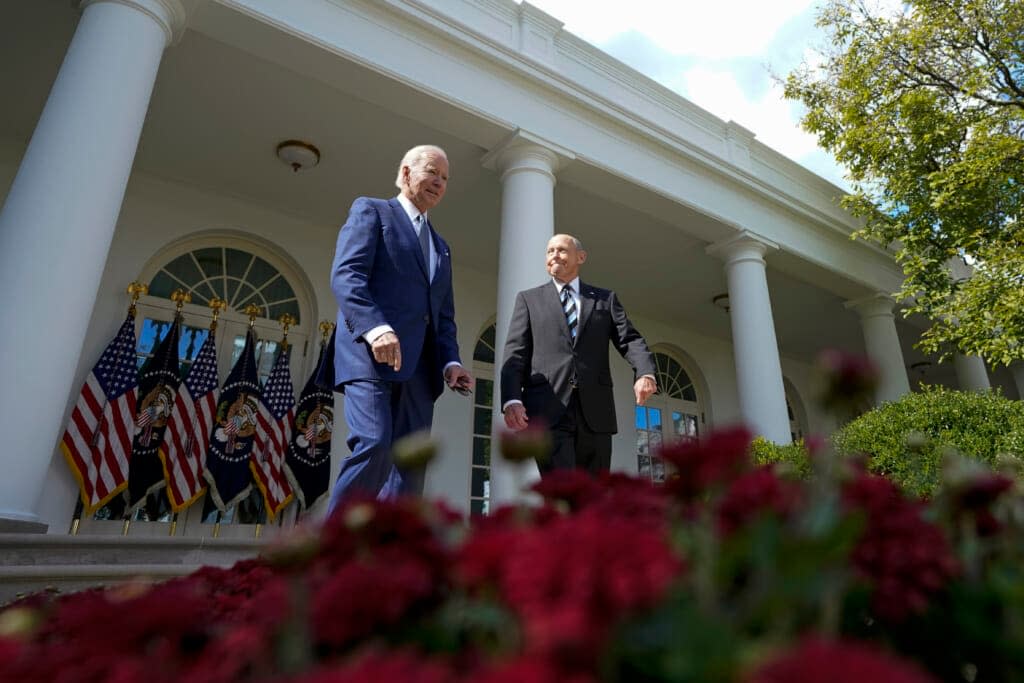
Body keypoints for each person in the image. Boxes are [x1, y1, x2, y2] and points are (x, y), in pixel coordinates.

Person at [328, 145, 472, 513]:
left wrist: (450, 362)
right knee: (375, 443)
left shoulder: (442, 247)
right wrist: (376, 328)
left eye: (445, 178)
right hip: (369, 355)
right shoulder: (372, 211)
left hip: (420, 372)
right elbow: (348, 275)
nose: (439, 183)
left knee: (409, 466)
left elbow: (443, 315)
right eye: (432, 172)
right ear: (406, 172)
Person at [500, 234, 657, 474]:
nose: (554, 255)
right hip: (548, 410)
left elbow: (630, 339)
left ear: (581, 257)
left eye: (562, 250)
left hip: (596, 413)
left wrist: (645, 373)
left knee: (593, 495)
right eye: (550, 251)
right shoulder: (529, 300)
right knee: (559, 493)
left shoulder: (605, 299)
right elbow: (516, 353)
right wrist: (512, 399)